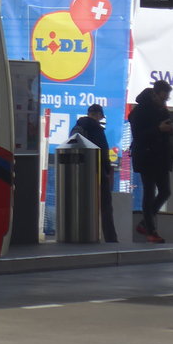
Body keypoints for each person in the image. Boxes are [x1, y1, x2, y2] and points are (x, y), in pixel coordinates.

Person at [127, 80, 173, 243]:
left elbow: (165, 128)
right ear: (154, 94)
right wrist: (158, 129)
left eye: (167, 98)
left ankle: (144, 223)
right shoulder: (139, 111)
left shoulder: (161, 109)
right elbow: (138, 136)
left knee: (165, 191)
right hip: (147, 156)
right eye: (163, 98)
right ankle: (150, 229)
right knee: (149, 192)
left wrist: (170, 129)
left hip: (161, 156)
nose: (165, 101)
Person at [70, 103, 118, 243]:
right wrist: (107, 168)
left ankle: (80, 235)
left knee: (83, 205)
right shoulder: (96, 128)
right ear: (98, 115)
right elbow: (103, 150)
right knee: (105, 207)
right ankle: (111, 239)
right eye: (100, 116)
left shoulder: (76, 128)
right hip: (97, 172)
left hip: (79, 173)